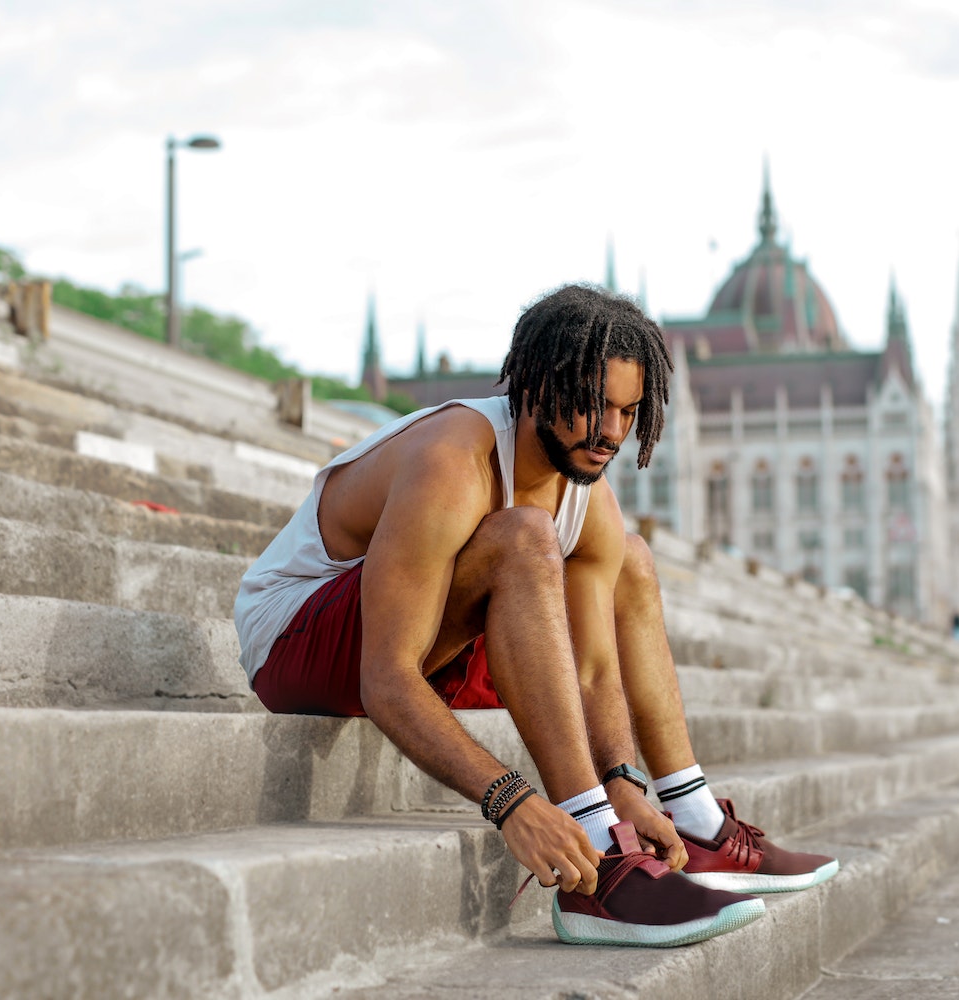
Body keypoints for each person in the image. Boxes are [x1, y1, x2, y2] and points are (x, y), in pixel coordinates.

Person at [234, 284, 837, 948]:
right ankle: (599, 866)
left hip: (435, 640)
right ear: (539, 387)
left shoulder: (587, 490)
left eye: (628, 412)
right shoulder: (453, 460)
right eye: (593, 405)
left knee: (630, 558)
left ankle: (695, 821)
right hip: (297, 640)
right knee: (524, 536)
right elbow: (385, 677)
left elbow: (595, 670)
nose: (611, 433)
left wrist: (622, 781)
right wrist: (514, 801)